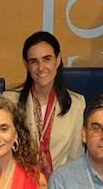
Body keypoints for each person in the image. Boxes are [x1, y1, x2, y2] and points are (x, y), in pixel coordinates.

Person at [16, 29, 83, 174]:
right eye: (34, 61)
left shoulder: (77, 104)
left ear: (58, 60)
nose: (41, 68)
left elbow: (76, 160)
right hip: (20, 186)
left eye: (47, 59)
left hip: (60, 187)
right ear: (27, 65)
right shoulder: (10, 101)